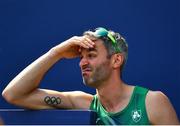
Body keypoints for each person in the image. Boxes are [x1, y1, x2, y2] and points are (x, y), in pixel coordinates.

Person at [2, 27, 179, 125]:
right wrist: (56, 53)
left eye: (91, 55)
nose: (82, 62)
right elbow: (13, 94)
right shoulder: (83, 104)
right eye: (81, 57)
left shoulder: (152, 102)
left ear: (116, 60)